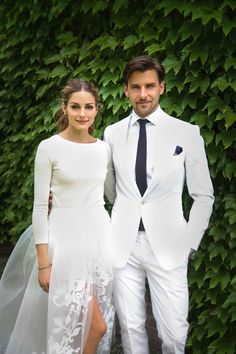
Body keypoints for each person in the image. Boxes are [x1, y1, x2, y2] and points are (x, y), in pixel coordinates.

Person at [104, 55, 214, 354]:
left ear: (161, 88)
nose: (143, 94)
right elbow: (111, 190)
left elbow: (203, 195)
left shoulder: (187, 133)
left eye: (150, 86)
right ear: (126, 89)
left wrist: (190, 242)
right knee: (130, 329)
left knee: (175, 335)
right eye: (136, 87)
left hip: (170, 245)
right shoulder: (111, 134)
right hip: (123, 245)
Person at [0, 79, 115, 354]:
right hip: (64, 244)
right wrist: (44, 263)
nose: (82, 114)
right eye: (75, 107)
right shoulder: (49, 147)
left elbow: (113, 196)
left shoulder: (103, 149)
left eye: (89, 107)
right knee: (93, 327)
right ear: (64, 108)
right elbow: (40, 206)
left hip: (99, 242)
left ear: (97, 109)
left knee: (90, 326)